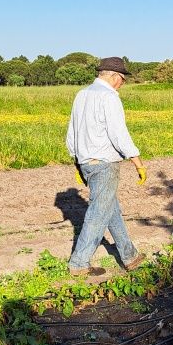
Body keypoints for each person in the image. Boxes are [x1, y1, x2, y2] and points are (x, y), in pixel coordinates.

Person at [66, 56, 147, 277]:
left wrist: (77, 160)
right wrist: (137, 162)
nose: (123, 83)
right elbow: (119, 134)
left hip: (86, 162)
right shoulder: (109, 97)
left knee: (111, 209)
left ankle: (129, 255)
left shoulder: (81, 95)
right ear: (112, 76)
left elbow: (72, 131)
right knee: (98, 213)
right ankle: (79, 262)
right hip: (104, 164)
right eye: (122, 79)